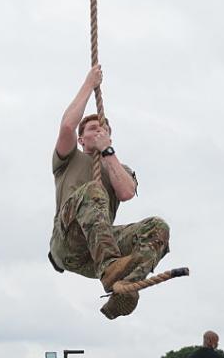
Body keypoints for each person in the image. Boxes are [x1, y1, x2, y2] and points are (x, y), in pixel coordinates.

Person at [49, 66, 171, 319]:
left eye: (102, 129)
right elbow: (67, 126)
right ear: (81, 139)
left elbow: (126, 192)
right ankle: (111, 269)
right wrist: (89, 83)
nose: (97, 131)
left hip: (98, 252)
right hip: (69, 242)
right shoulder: (69, 158)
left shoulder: (117, 165)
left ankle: (123, 288)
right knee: (94, 190)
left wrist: (107, 152)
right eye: (92, 129)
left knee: (158, 227)